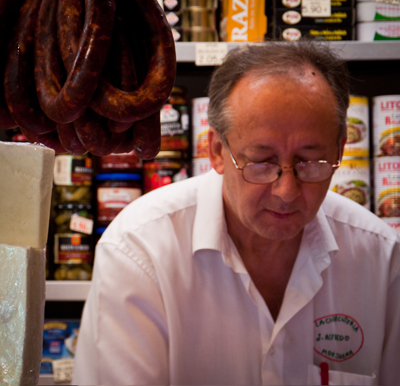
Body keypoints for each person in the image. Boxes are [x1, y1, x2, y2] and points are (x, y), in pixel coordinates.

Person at [73, 41, 400, 385]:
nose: (286, 191)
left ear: (340, 148)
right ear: (216, 150)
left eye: (310, 161)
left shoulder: (380, 255)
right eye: (261, 162)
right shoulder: (140, 249)